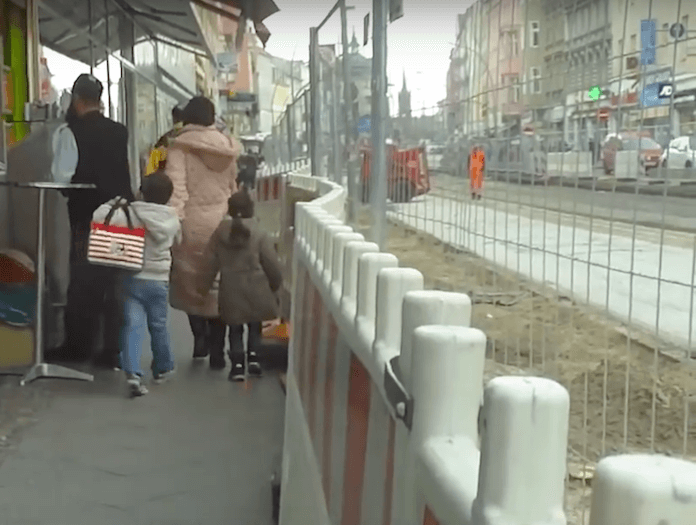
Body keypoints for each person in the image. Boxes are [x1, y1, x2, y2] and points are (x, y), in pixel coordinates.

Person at [48, 73, 134, 367]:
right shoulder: (119, 131)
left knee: (85, 283)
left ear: (76, 99)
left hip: (87, 216)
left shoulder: (70, 132)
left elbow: (62, 178)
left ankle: (79, 348)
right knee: (115, 283)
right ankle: (112, 350)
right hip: (120, 215)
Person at [166, 96, 242, 369]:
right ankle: (217, 348)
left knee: (191, 284)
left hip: (193, 224)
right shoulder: (227, 149)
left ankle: (200, 338)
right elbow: (232, 188)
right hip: (221, 222)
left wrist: (174, 222)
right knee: (217, 286)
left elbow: (177, 190)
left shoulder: (180, 149)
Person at [92, 171, 181, 396]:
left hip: (132, 275)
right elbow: (178, 243)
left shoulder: (130, 212)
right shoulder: (173, 218)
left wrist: (112, 203)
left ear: (141, 192)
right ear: (169, 196)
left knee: (132, 325)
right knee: (159, 325)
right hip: (159, 279)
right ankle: (163, 368)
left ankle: (133, 373)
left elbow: (99, 217)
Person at [198, 189, 283, 382]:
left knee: (235, 330)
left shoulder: (220, 233)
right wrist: (275, 285)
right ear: (251, 210)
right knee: (255, 326)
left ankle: (237, 366)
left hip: (231, 290)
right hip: (258, 289)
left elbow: (209, 264)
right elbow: (271, 264)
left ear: (229, 210)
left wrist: (203, 288)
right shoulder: (260, 233)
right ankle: (254, 358)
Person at [145, 106, 184, 175]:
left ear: (173, 119)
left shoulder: (163, 140)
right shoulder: (194, 138)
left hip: (167, 181)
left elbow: (150, 172)